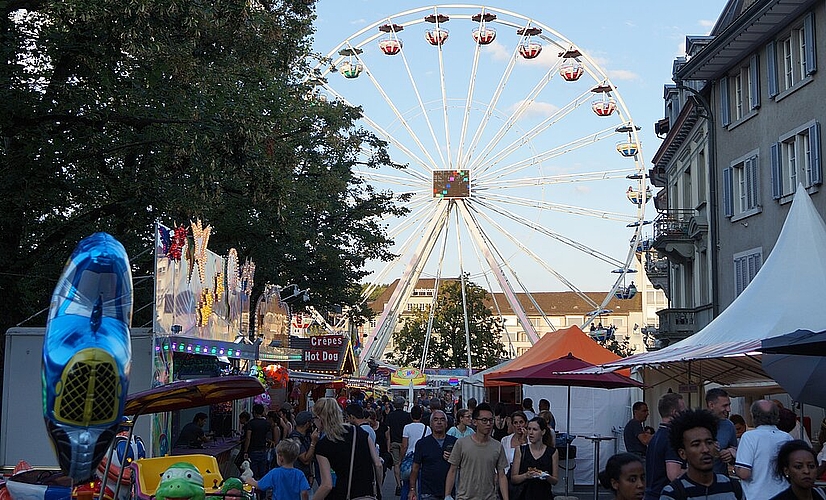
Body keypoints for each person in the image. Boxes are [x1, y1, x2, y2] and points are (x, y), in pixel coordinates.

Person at [659, 409, 742, 500]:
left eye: (709, 442)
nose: (705, 449)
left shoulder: (733, 487)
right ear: (682, 453)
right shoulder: (673, 493)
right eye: (696, 445)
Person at [312, 397, 383, 500]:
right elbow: (378, 464)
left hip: (343, 493)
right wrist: (378, 489)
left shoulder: (323, 445)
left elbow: (327, 485)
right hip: (367, 494)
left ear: (320, 418)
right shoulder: (360, 432)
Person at [444, 402, 510, 500]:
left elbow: (501, 475)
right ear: (475, 422)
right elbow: (452, 470)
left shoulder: (497, 446)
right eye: (484, 420)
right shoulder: (461, 443)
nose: (488, 424)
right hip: (465, 497)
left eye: (490, 420)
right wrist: (447, 495)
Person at [735, 399, 794, 500]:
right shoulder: (787, 437)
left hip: (757, 495)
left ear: (753, 416)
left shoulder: (749, 437)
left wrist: (735, 464)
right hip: (784, 493)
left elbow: (744, 473)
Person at [644, 392, 686, 500]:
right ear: (675, 413)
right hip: (664, 495)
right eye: (684, 411)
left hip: (651, 494)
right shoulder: (672, 437)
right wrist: (697, 471)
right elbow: (674, 474)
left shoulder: (656, 436)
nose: (686, 415)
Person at [408, 410, 456, 500]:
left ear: (446, 424)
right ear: (431, 424)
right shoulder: (422, 443)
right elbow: (415, 468)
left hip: (449, 492)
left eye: (442, 420)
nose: (439, 422)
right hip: (428, 492)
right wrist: (412, 489)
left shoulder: (454, 442)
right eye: (436, 420)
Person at [509, 416, 558, 499]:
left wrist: (546, 476)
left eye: (534, 429)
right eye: (529, 429)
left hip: (544, 495)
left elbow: (555, 481)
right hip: (525, 495)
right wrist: (526, 475)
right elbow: (513, 478)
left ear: (543, 432)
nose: (530, 433)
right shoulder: (521, 450)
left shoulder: (552, 452)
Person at [245, 438, 310, 500]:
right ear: (295, 458)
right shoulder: (299, 474)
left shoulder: (275, 472)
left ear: (280, 457)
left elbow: (260, 486)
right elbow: (304, 492)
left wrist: (250, 480)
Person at [704, 388, 737, 476]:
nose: (729, 409)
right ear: (711, 405)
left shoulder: (729, 426)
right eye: (725, 406)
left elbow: (736, 454)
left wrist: (730, 455)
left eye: (729, 405)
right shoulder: (694, 424)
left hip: (720, 480)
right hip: (698, 481)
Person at [401, 406, 430, 500]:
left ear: (411, 415)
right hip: (422, 458)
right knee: (422, 485)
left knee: (407, 484)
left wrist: (401, 459)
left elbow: (404, 445)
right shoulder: (427, 428)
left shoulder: (407, 428)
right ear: (421, 415)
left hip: (409, 458)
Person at [386, 396, 412, 496]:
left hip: (394, 442)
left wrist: (388, 444)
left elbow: (388, 430)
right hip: (404, 442)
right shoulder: (407, 416)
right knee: (406, 462)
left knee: (396, 464)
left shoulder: (390, 416)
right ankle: (408, 483)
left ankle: (398, 485)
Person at [244, 404, 272, 492]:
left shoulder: (251, 423)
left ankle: (254, 493)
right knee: (263, 474)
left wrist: (245, 451)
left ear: (254, 412)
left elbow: (248, 437)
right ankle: (263, 494)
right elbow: (268, 436)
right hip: (263, 450)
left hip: (253, 451)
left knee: (253, 474)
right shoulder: (267, 424)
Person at [289, 410, 319, 488]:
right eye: (311, 422)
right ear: (307, 424)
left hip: (305, 475)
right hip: (296, 477)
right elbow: (305, 459)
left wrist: (311, 474)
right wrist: (313, 442)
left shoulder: (307, 436)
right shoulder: (295, 439)